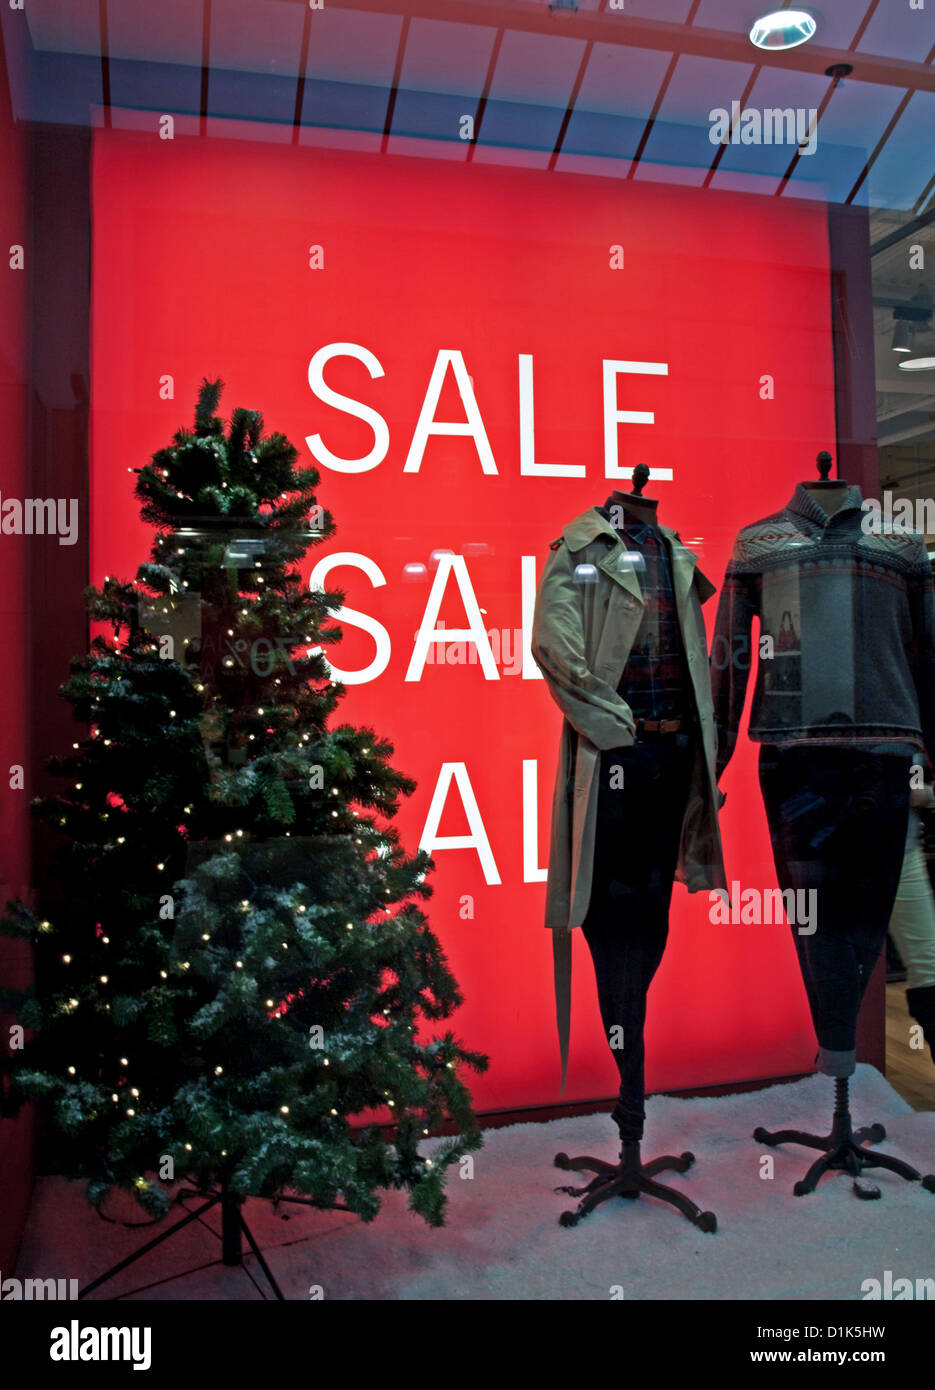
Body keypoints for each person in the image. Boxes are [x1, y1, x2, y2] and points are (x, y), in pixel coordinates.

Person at [888, 781, 935, 1067]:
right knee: (839, 967)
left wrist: (924, 794)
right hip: (827, 851)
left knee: (929, 966)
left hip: (903, 850)